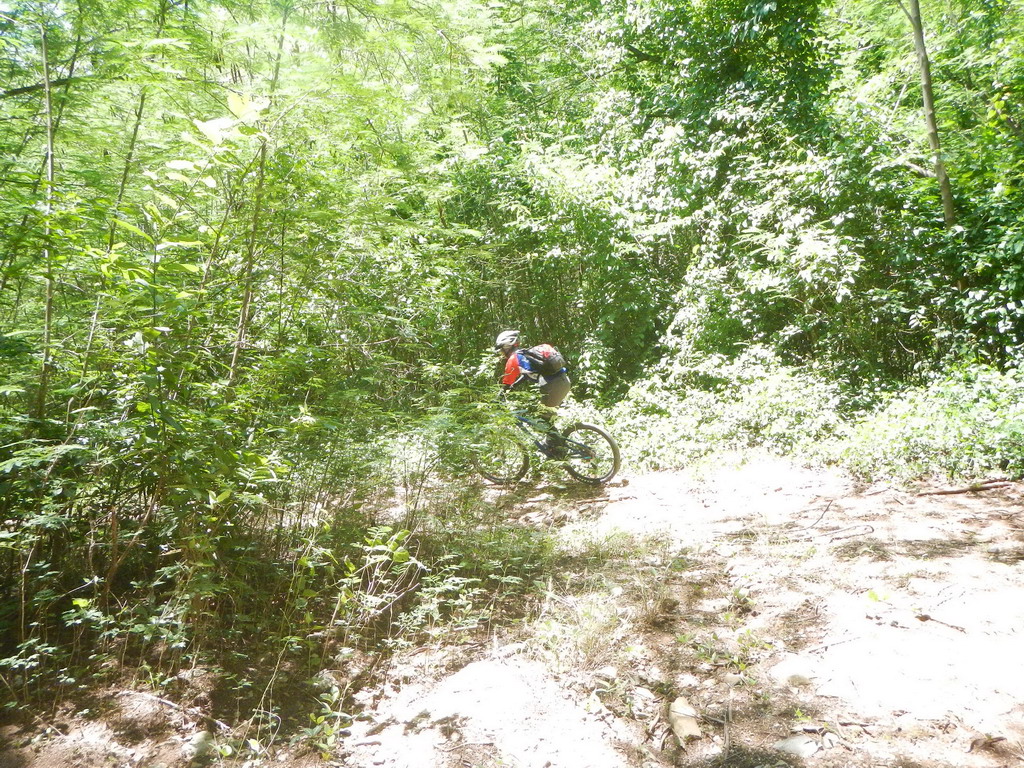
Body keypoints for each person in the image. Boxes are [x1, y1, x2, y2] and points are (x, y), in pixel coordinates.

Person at [494, 330, 571, 455]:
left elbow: (506, 384)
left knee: (541, 419)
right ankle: (555, 446)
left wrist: (498, 398)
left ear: (507, 347)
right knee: (545, 418)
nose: (502, 353)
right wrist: (514, 386)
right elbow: (527, 374)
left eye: (502, 350)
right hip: (564, 381)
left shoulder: (513, 360)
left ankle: (560, 451)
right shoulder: (525, 355)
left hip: (553, 386)